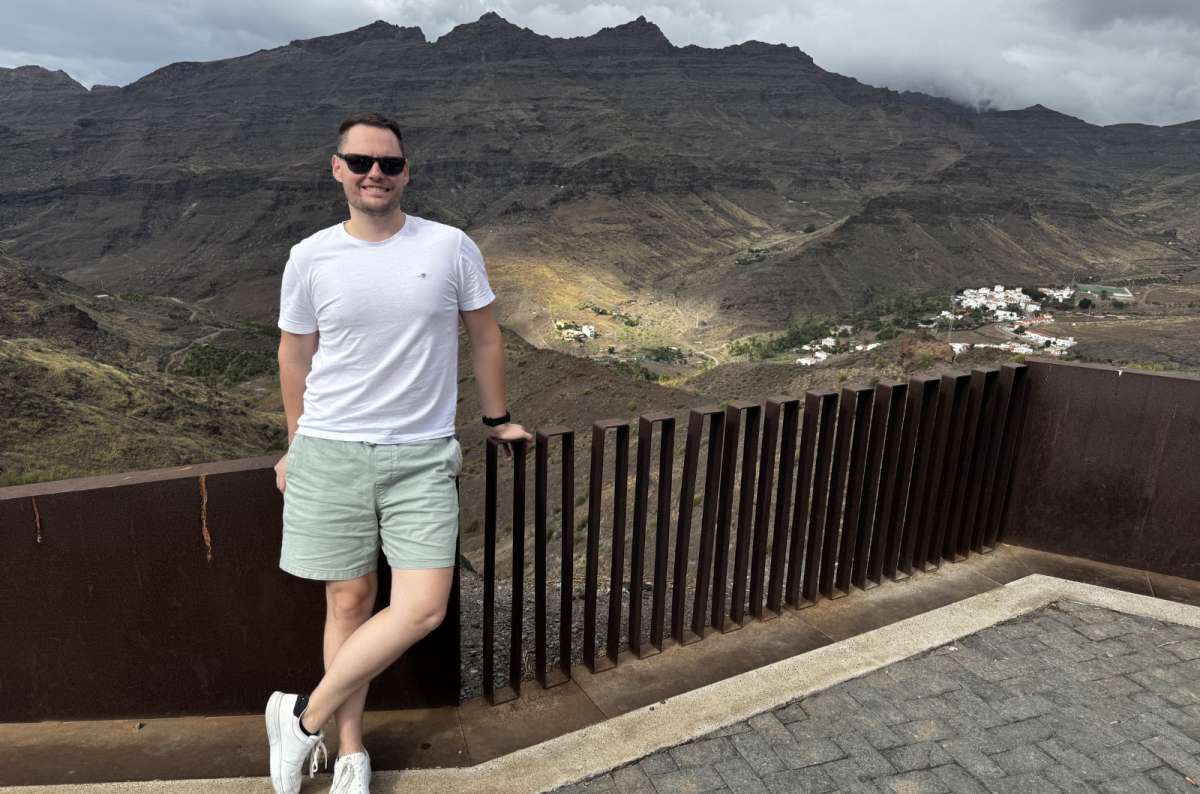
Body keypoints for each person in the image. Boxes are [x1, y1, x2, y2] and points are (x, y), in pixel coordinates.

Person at [266, 112, 531, 794]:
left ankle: (302, 720)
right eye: (360, 163)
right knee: (349, 603)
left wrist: (497, 419)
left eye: (387, 164)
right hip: (331, 449)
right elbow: (296, 354)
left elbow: (486, 337)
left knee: (422, 608)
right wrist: (296, 441)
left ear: (407, 171)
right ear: (337, 169)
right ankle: (349, 751)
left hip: (420, 454)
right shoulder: (310, 256)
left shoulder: (449, 247)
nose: (374, 174)